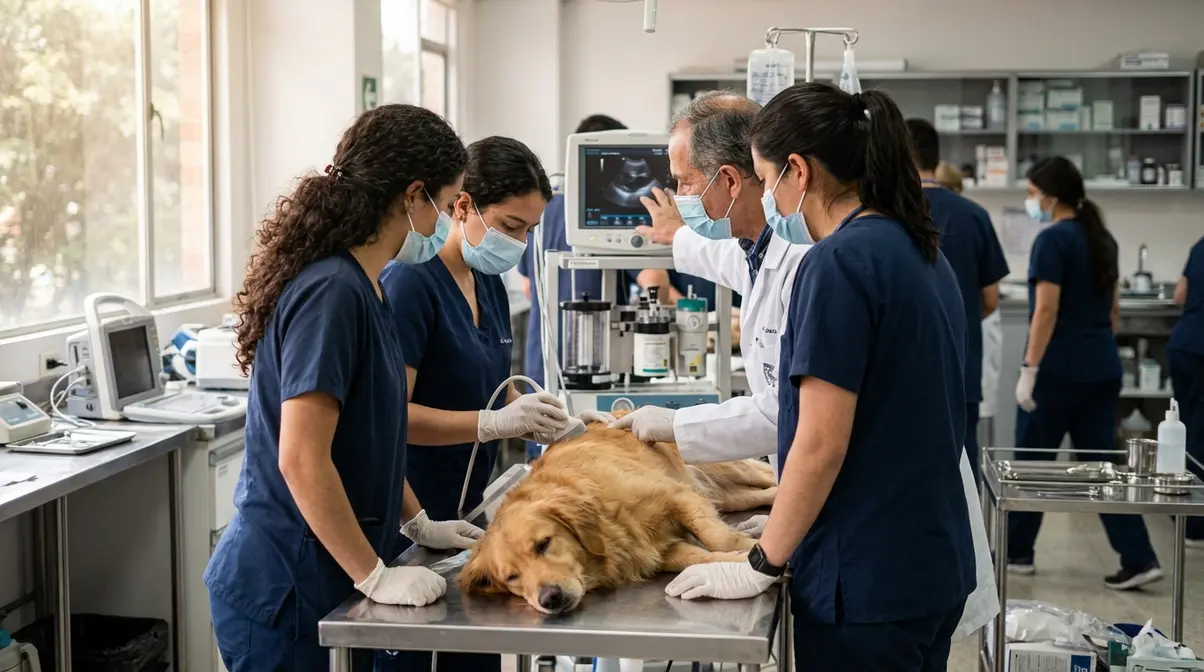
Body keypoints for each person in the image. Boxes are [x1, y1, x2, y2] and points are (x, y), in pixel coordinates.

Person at [663, 83, 976, 671]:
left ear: (797, 172)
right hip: (929, 560)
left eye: (766, 176)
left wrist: (762, 560)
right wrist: (786, 515)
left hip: (866, 576)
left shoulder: (837, 264)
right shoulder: (919, 248)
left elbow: (820, 439)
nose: (769, 197)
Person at [204, 104, 472, 672]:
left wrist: (416, 521)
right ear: (412, 195)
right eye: (446, 207)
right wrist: (372, 574)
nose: (445, 223)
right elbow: (302, 458)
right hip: (285, 585)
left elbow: (366, 437)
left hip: (326, 572)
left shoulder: (367, 286)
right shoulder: (332, 292)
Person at [376, 136, 574, 672]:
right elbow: (393, 417)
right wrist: (492, 423)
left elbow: (490, 381)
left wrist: (550, 418)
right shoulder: (411, 284)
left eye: (530, 230)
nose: (521, 242)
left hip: (465, 518)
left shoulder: (486, 278)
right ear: (462, 205)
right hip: (411, 517)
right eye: (512, 226)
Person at [611, 92, 801, 475]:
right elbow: (723, 258)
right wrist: (677, 235)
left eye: (684, 183)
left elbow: (788, 412)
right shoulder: (757, 248)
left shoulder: (802, 259)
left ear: (730, 180)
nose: (679, 197)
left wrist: (675, 425)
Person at [1009, 156, 1162, 589]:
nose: (1030, 201)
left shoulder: (1052, 241)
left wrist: (1029, 369)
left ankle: (1018, 551)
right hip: (1100, 367)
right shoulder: (1102, 239)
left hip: (1058, 371)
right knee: (1104, 466)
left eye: (1032, 193)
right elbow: (1112, 311)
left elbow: (1046, 311)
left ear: (1051, 197)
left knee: (1032, 463)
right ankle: (1139, 557)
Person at [907, 118, 1010, 482]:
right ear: (938, 157)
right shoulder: (973, 215)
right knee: (961, 474)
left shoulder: (889, 213)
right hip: (961, 365)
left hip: (903, 373)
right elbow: (991, 299)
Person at [1168, 235, 1204, 546]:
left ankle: (1183, 513)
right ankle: (1195, 524)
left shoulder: (1200, 245)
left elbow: (1180, 294)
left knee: (1187, 427)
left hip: (1184, 345)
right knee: (1199, 434)